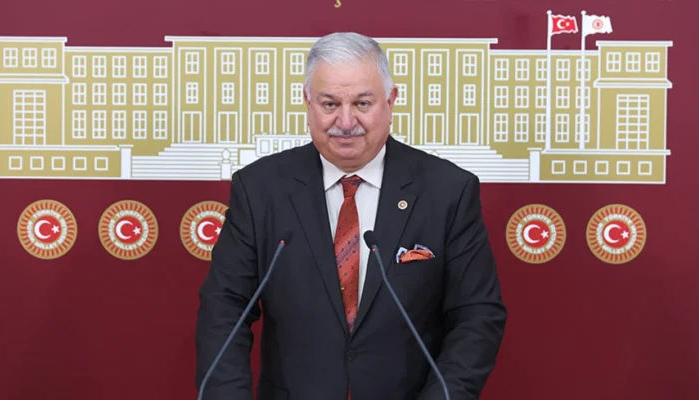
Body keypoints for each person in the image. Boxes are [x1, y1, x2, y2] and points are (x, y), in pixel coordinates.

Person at [195, 32, 507, 400]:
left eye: (362, 103)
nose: (345, 121)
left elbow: (476, 315)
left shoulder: (448, 190)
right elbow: (225, 308)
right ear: (308, 102)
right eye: (330, 104)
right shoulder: (260, 188)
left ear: (390, 101)